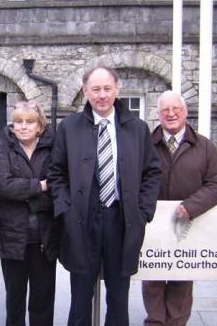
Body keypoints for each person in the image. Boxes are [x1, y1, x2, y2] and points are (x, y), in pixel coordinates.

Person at [48, 66, 161, 326]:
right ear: (85, 91)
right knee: (80, 299)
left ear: (117, 89)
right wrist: (65, 209)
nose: (101, 95)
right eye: (95, 89)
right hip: (81, 220)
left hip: (121, 221)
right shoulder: (70, 127)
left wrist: (143, 212)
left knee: (119, 299)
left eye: (107, 89)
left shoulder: (137, 128)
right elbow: (56, 172)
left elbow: (152, 172)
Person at [141, 90, 217, 326]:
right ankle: (155, 322)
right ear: (157, 114)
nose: (171, 114)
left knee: (182, 277)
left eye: (176, 108)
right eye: (165, 110)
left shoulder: (205, 146)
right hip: (152, 224)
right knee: (153, 278)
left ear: (185, 112)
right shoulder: (144, 145)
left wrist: (191, 206)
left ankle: (177, 323)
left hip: (189, 225)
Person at [0, 100, 61, 326]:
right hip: (12, 235)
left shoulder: (53, 148)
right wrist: (39, 186)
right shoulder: (3, 147)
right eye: (18, 121)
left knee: (43, 299)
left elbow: (58, 184)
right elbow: (4, 185)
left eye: (29, 122)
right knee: (15, 299)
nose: (23, 126)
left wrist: (25, 190)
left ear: (40, 126)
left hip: (44, 236)